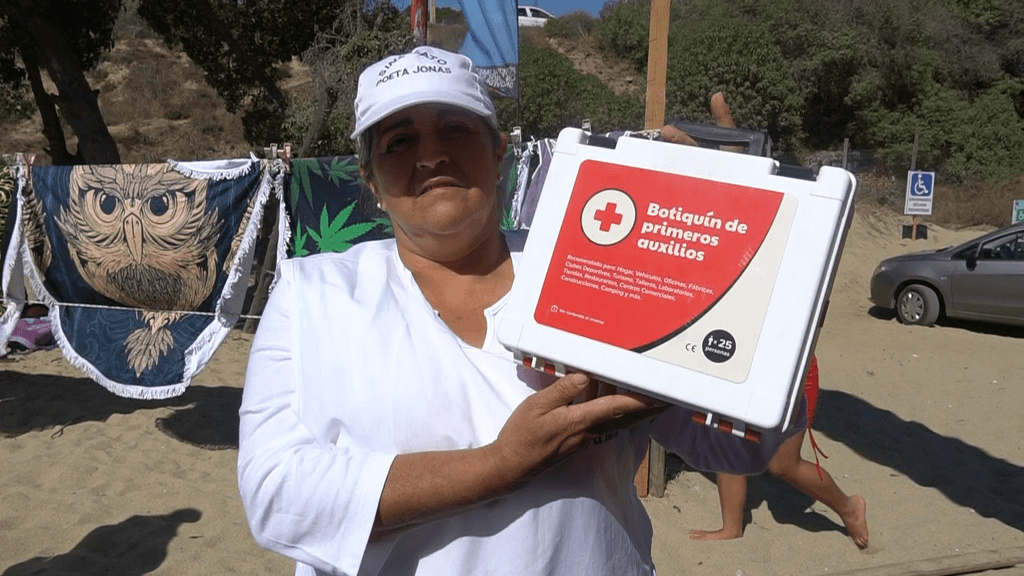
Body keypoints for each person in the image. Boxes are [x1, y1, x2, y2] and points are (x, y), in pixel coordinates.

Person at [237, 46, 795, 576]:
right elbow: (277, 493)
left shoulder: (593, 271)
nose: (431, 154)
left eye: (455, 128)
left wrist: (761, 267)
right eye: (399, 141)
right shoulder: (313, 294)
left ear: (499, 150)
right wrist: (501, 465)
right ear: (371, 181)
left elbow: (734, 444)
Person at [688, 358, 870, 548]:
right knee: (729, 436)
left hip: (792, 375)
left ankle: (849, 508)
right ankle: (731, 527)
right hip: (744, 366)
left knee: (783, 465)